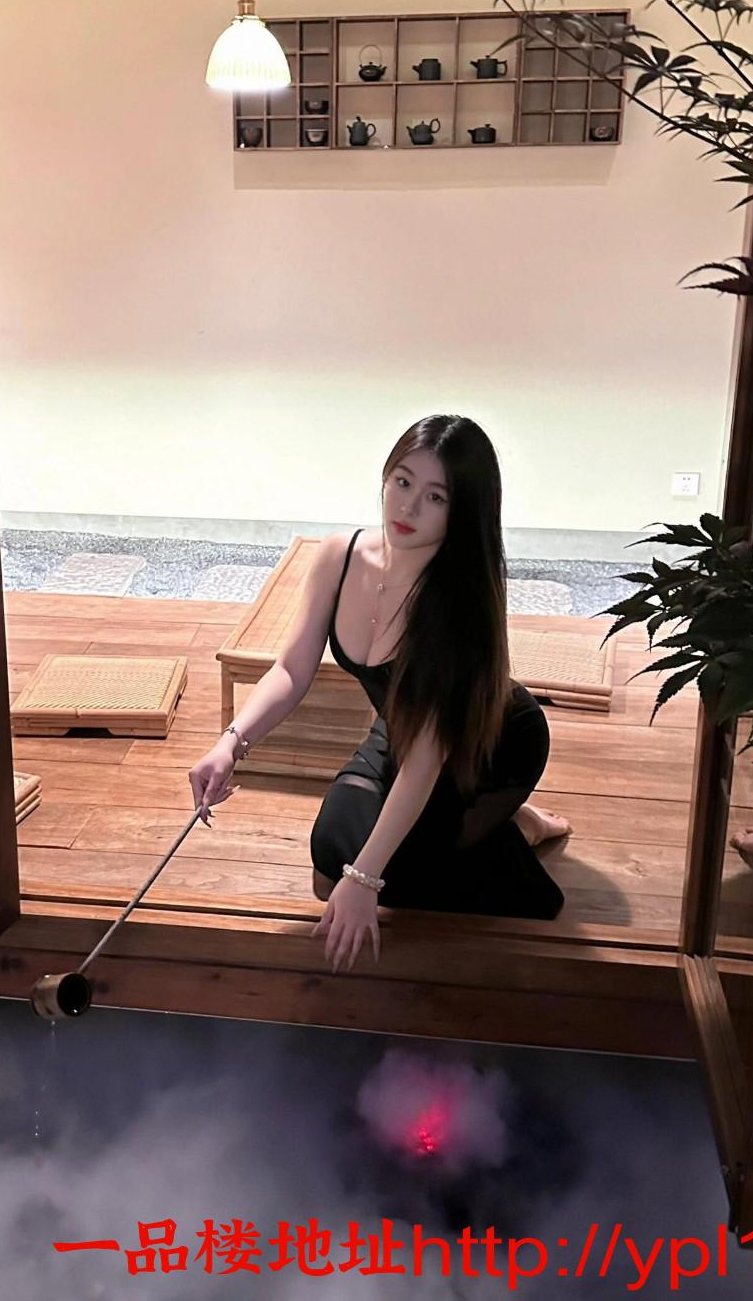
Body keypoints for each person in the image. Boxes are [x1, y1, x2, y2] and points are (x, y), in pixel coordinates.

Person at [188, 415, 572, 975]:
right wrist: (230, 743)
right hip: (400, 728)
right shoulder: (340, 556)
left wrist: (366, 879)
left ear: (463, 509)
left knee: (386, 878)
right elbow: (291, 670)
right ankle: (481, 828)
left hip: (489, 744)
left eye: (436, 496)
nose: (408, 506)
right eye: (402, 481)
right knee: (331, 857)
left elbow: (425, 762)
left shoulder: (455, 600)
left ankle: (516, 823)